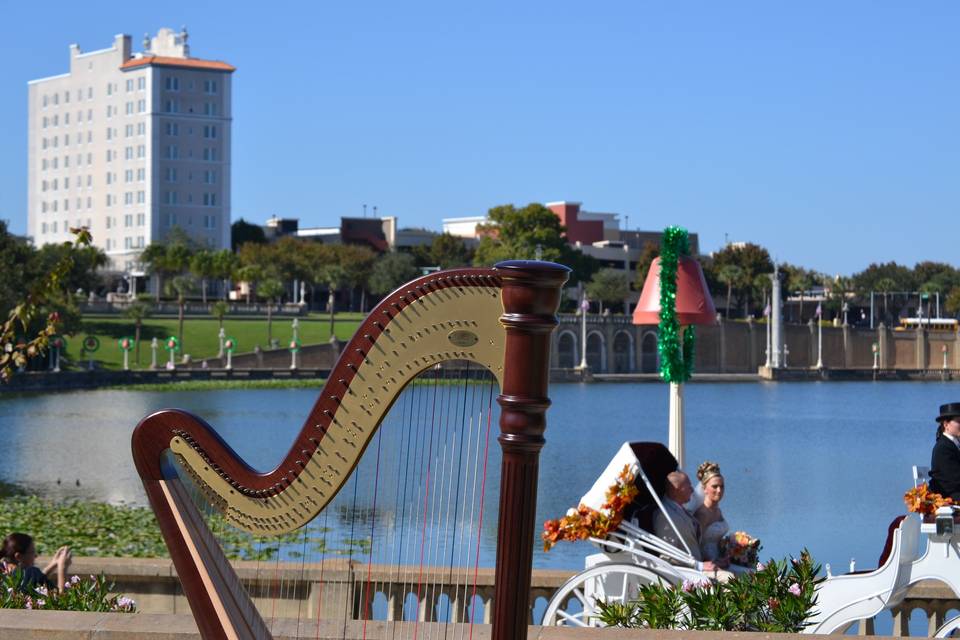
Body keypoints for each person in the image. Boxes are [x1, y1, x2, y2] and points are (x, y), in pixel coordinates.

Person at [653, 470, 732, 582]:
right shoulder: (665, 516)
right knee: (730, 578)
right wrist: (699, 566)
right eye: (688, 486)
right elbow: (667, 556)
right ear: (676, 489)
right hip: (685, 572)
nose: (693, 490)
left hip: (698, 565)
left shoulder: (680, 509)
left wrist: (711, 562)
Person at [2, 533, 71, 592]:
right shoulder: (31, 571)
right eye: (32, 552)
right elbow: (61, 598)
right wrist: (62, 568)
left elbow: (35, 579)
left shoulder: (3, 570)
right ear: (18, 556)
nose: (35, 556)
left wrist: (52, 565)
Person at [693, 461, 729, 562]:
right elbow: (695, 547)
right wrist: (714, 563)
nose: (719, 490)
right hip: (708, 564)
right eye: (715, 486)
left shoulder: (718, 511)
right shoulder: (702, 514)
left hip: (720, 559)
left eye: (722, 486)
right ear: (704, 488)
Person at [929, 402, 960, 502]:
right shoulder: (943, 448)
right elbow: (953, 479)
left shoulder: (954, 444)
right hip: (947, 496)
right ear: (946, 424)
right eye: (959, 421)